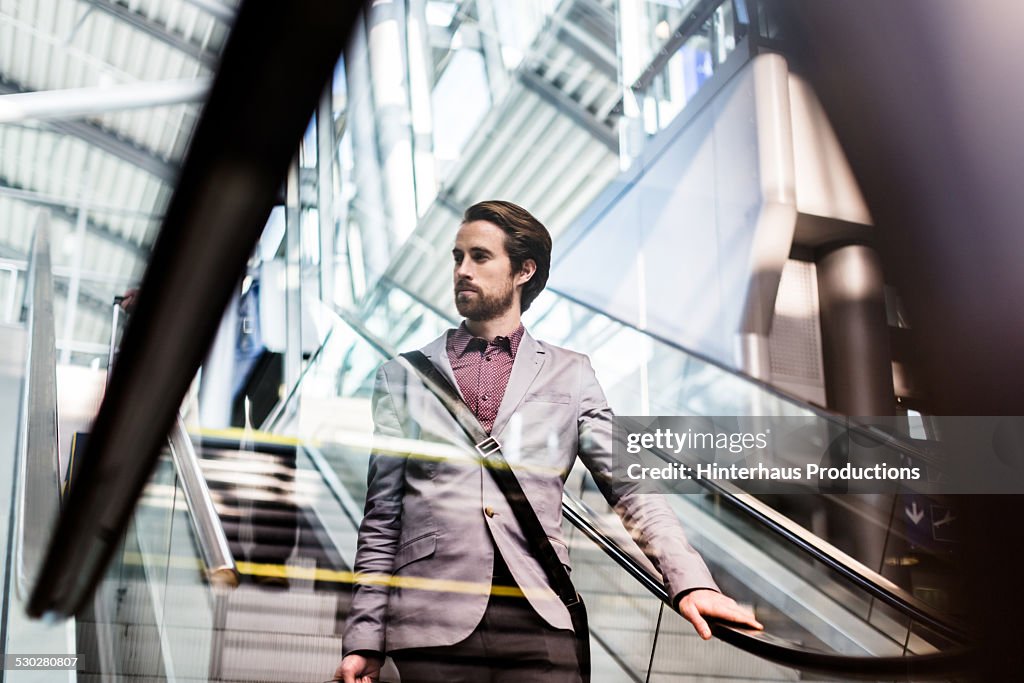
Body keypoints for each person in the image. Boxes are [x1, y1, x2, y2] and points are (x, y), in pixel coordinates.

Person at [335, 201, 761, 682]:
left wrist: (689, 583)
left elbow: (631, 487)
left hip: (539, 613)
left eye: (479, 256)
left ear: (524, 270)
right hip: (433, 623)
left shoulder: (571, 372)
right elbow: (382, 521)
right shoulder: (402, 376)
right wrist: (364, 638)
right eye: (457, 257)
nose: (462, 270)